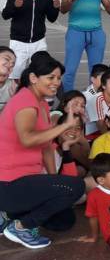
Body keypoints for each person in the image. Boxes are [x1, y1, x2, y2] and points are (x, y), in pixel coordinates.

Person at [0, 56, 84, 249]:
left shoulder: (42, 103)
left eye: (59, 78)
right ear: (33, 77)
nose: (56, 82)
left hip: (26, 180)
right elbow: (28, 139)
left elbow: (46, 145)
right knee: (76, 187)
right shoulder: (25, 101)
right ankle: (19, 226)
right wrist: (66, 126)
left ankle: (10, 215)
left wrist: (54, 182)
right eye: (51, 77)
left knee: (63, 221)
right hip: (8, 182)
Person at [1, 0, 60, 79]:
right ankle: (16, 97)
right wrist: (15, 6)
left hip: (39, 42)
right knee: (15, 77)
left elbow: (52, 19)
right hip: (18, 43)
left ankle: (42, 98)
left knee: (42, 76)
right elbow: (5, 15)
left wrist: (55, 7)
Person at [85, 69, 110, 139]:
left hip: (108, 133)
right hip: (92, 136)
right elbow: (100, 124)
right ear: (103, 86)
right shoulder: (97, 99)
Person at [0, 46, 17, 112]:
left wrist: (15, 99)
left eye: (13, 65)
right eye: (7, 59)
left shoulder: (13, 87)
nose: (10, 65)